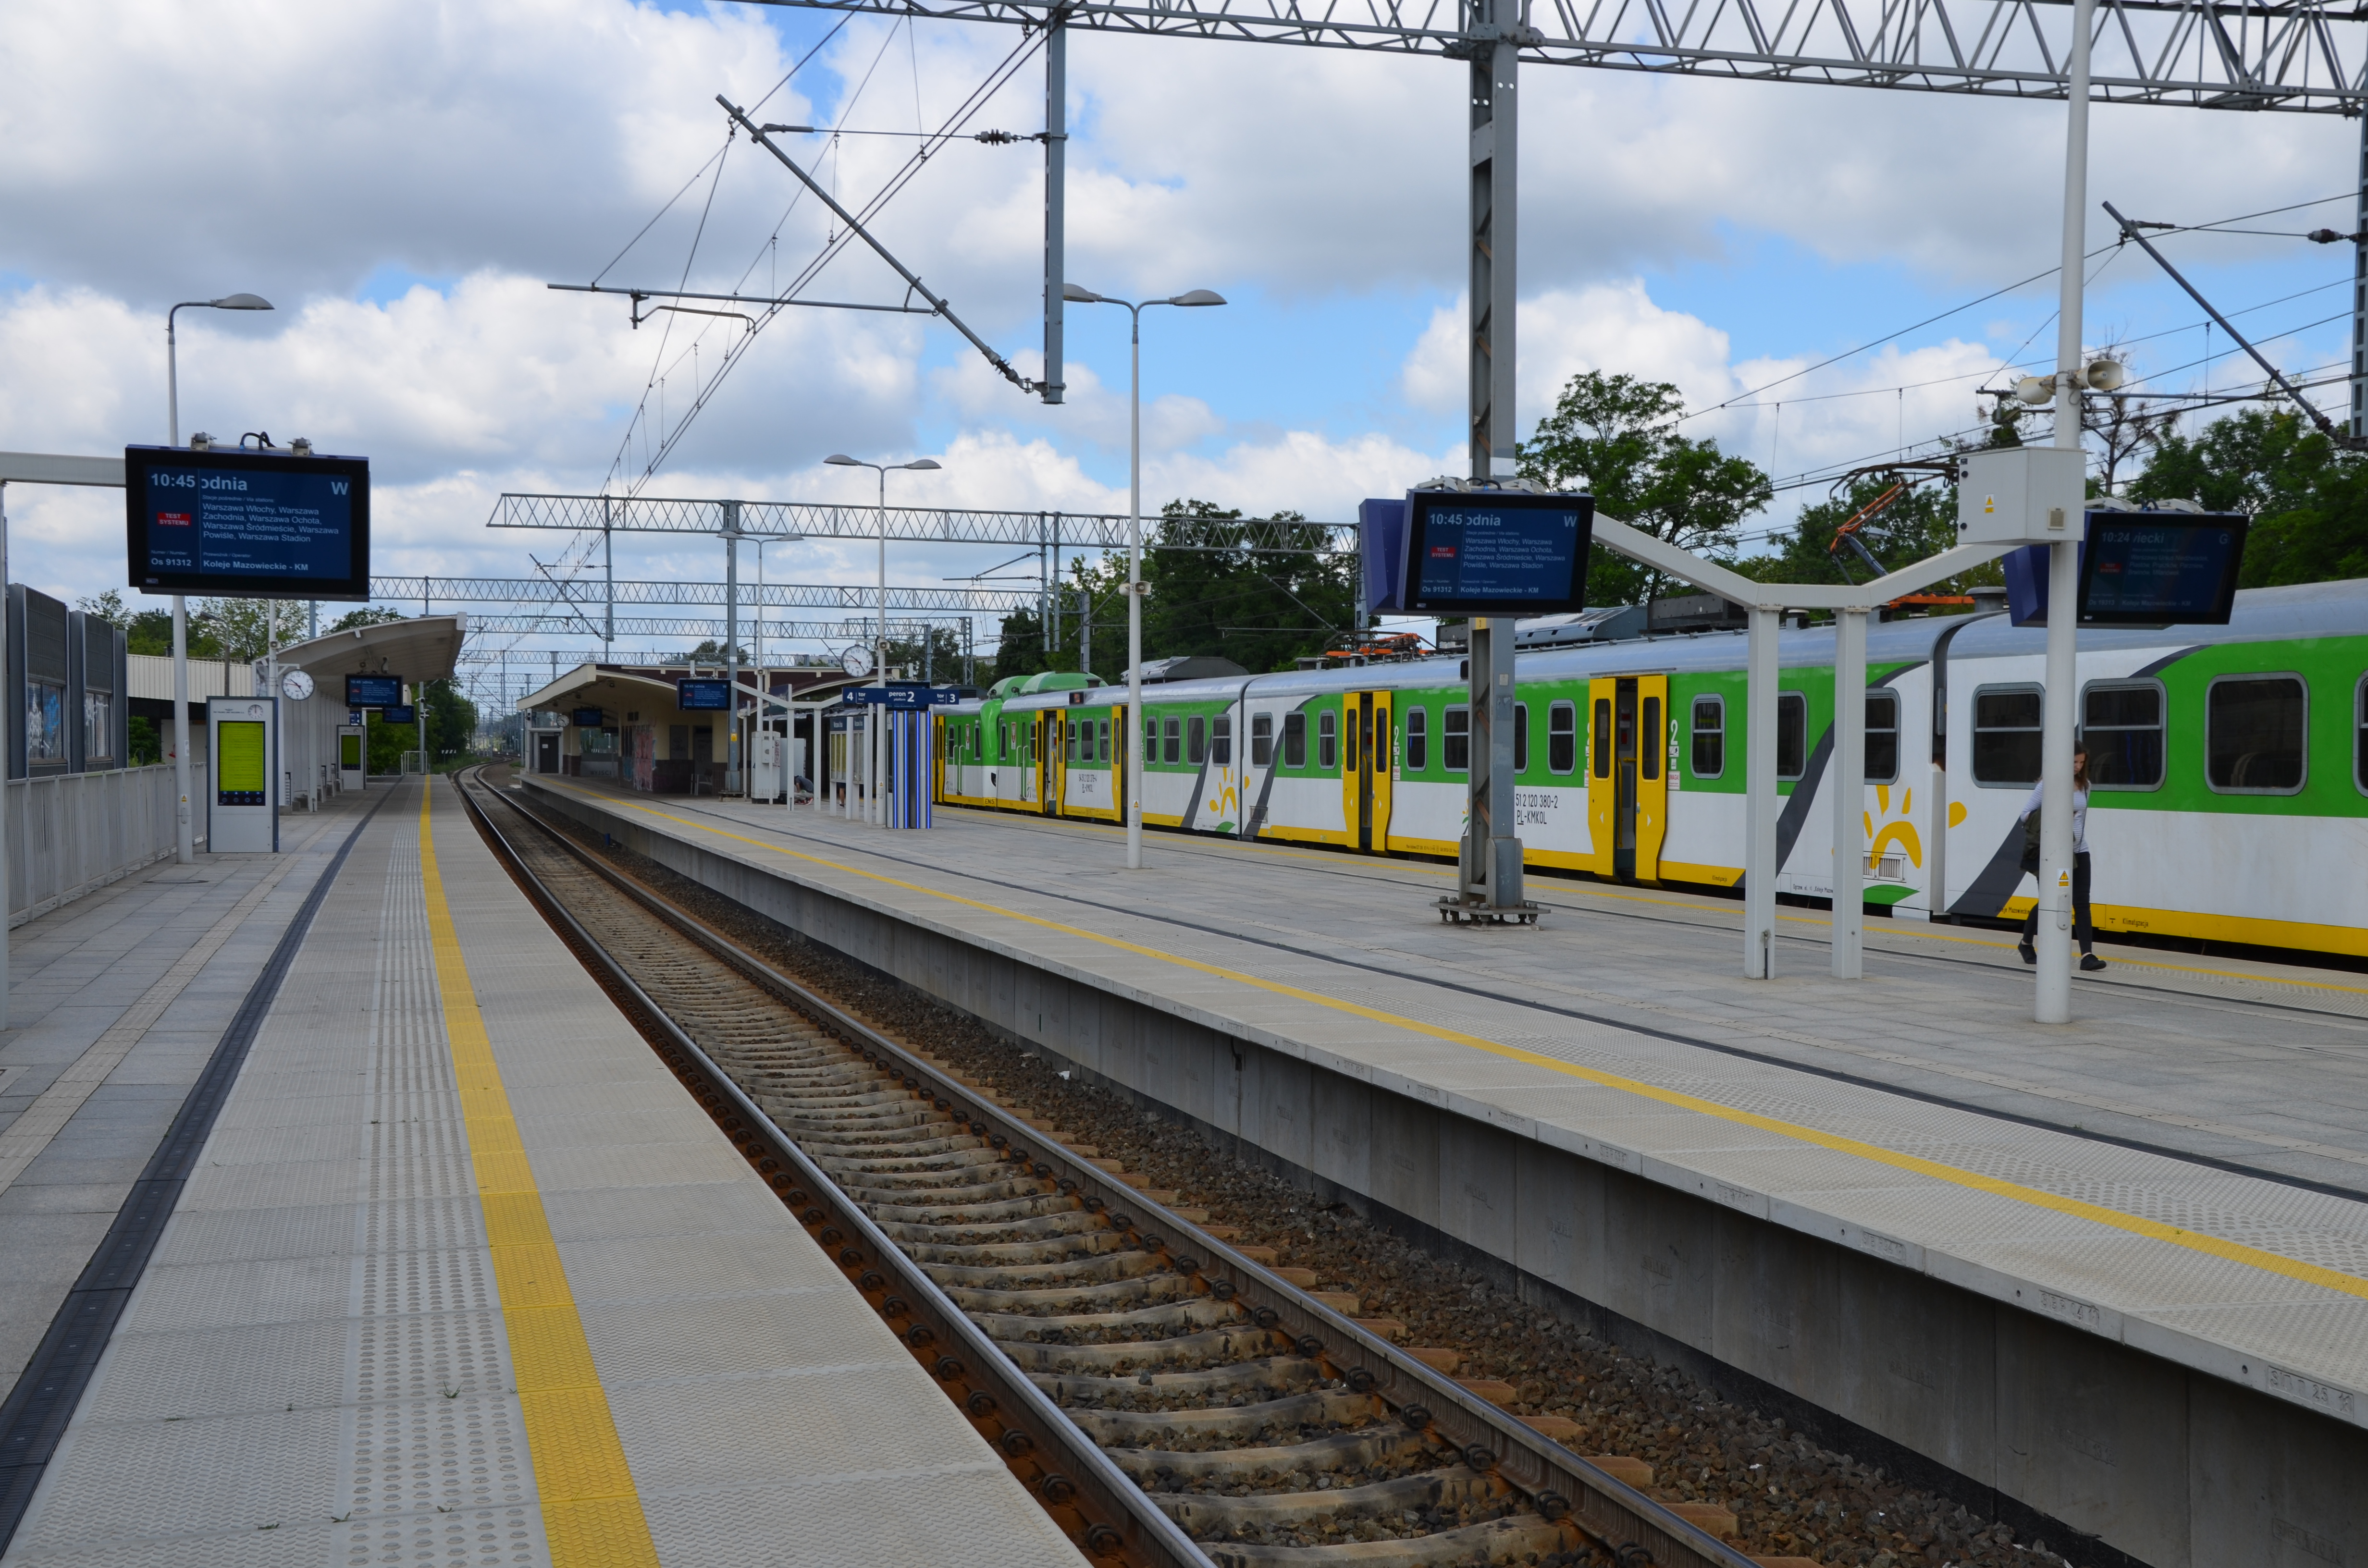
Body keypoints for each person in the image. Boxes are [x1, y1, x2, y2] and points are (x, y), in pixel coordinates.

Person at [2018, 746, 2105, 972]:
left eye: (2081, 763)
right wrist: (2056, 813)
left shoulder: (2086, 786)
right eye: (2074, 762)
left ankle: (2087, 956)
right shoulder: (2047, 785)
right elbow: (2025, 816)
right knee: (2049, 900)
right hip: (2054, 854)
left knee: (2082, 902)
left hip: (2079, 850)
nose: (2078, 767)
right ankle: (2026, 944)